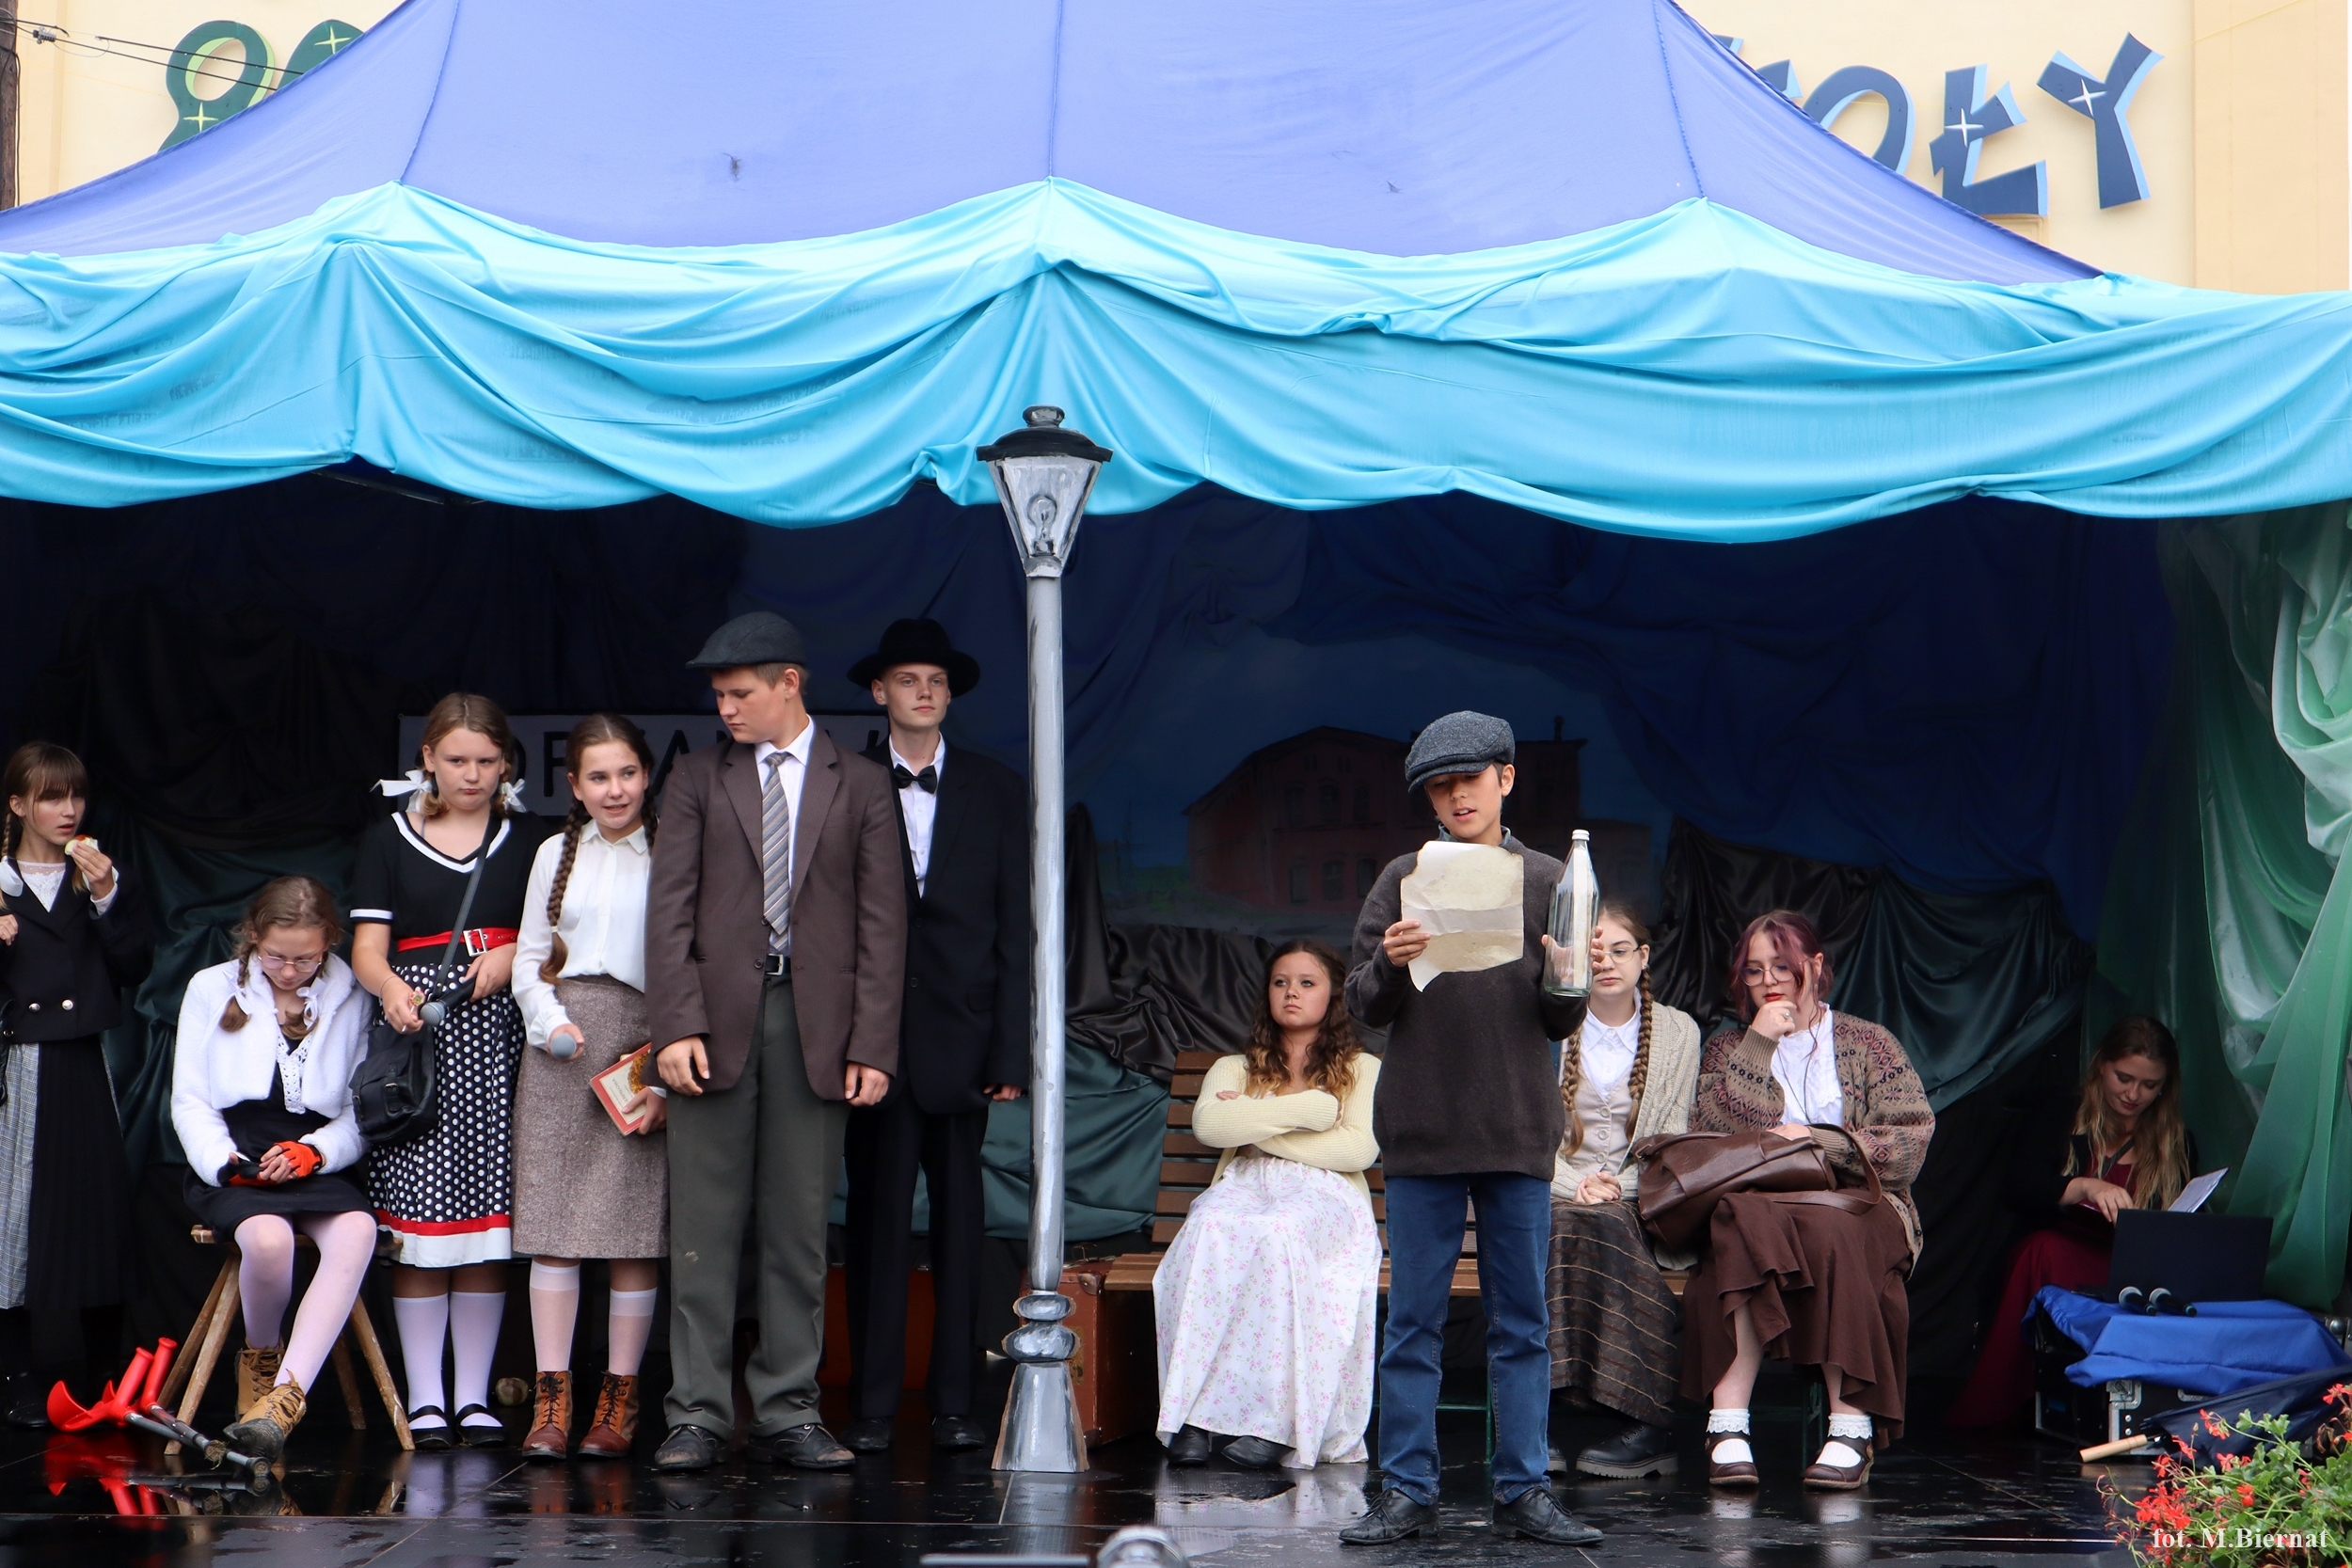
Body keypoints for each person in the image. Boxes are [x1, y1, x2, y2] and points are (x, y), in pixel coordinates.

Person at [644, 611, 906, 1473]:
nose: (725, 708)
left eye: (738, 693)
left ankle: (791, 1408)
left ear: (789, 682)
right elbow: (668, 911)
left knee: (798, 1229)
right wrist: (675, 1025)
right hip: (712, 1023)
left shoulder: (861, 782)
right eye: (718, 696)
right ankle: (696, 1412)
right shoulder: (695, 776)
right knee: (703, 1228)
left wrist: (873, 1043)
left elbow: (883, 926)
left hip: (816, 1022)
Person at [1339, 712, 1601, 1548]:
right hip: (1422, 1129)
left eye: (1472, 778)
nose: (1458, 795)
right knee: (1411, 1322)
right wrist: (1390, 961)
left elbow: (1560, 1018)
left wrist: (1570, 977)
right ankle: (1406, 1487)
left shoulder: (1551, 878)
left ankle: (1523, 1488)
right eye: (1441, 785)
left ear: (1506, 778)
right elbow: (1360, 1004)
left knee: (1522, 1321)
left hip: (1516, 1128)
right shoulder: (1404, 876)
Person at [841, 619, 1028, 1454]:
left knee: (961, 1228)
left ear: (951, 694)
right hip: (871, 1047)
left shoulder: (997, 787)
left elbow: (1017, 927)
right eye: (908, 678)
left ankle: (957, 1402)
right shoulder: (846, 782)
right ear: (878, 690)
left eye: (937, 680)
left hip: (965, 1040)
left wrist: (1010, 1051)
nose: (924, 691)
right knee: (876, 1226)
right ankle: (873, 1405)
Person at [350, 693, 551, 1449]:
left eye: (487, 760)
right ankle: (426, 1397)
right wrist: (390, 990)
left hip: (500, 1042)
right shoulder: (387, 838)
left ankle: (473, 1394)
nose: (472, 774)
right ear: (428, 757)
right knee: (421, 1225)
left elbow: (560, 930)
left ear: (507, 763)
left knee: (487, 1228)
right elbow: (368, 947)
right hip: (420, 1043)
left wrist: (515, 951)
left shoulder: (532, 839)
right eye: (457, 759)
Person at [1685, 910, 1933, 1492]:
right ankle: (1727, 1425)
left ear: (1816, 967)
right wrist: (1758, 1045)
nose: (1769, 981)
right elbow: (1712, 1136)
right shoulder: (1728, 1049)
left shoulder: (1869, 1043)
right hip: (1761, 1206)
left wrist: (1821, 1144)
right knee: (1735, 1220)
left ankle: (1851, 1427)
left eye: (1783, 966)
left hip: (1859, 1206)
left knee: (1831, 1230)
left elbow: (1910, 1140)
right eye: (1754, 971)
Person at [170, 876, 376, 1461]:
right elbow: (190, 1099)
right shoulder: (211, 988)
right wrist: (224, 1164)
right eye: (275, 957)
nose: (288, 972)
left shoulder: (352, 994)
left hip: (316, 1155)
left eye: (305, 960)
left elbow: (360, 1110)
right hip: (237, 1156)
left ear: (329, 942)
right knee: (268, 1239)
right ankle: (261, 1359)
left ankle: (283, 1400)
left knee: (358, 1229)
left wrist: (318, 1151)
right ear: (253, 938)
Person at [1158, 939, 1382, 1470]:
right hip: (1244, 1185)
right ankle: (1192, 1418)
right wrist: (1310, 1111)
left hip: (1326, 1196)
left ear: (1333, 995)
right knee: (1209, 1229)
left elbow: (1357, 1149)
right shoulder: (1233, 1068)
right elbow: (1211, 1127)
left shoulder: (1362, 1068)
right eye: (1280, 982)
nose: (1291, 993)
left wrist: (1254, 1122)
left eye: (1306, 983)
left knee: (1279, 1234)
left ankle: (1275, 1424)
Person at [510, 715, 669, 1462]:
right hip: (561, 1045)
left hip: (640, 1043)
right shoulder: (554, 852)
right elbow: (528, 957)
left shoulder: (673, 847)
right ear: (574, 784)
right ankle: (552, 1401)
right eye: (598, 776)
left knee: (632, 1231)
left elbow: (691, 965)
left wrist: (664, 1064)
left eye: (627, 772)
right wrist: (551, 1024)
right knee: (556, 1228)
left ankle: (618, 1400)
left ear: (647, 774)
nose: (615, 789)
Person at [0, 742, 152, 1427]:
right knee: (13, 1214)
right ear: (18, 804)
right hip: (16, 1062)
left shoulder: (98, 874)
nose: (68, 810)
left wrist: (108, 896)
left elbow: (135, 965)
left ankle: (100, 1375)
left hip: (84, 1059)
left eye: (76, 795)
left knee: (96, 1211)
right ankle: (17, 1376)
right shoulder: (1, 880)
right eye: (51, 797)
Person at [1946, 1016, 2193, 1429]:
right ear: (2101, 1065)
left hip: (2132, 1269)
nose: (2134, 1094)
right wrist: (2082, 1187)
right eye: (2123, 1078)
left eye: (2149, 1085)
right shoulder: (2062, 1115)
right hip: (2063, 1251)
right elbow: (2019, 1188)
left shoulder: (2176, 1143)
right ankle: (2006, 1400)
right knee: (2042, 1250)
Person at [1547, 901, 1701, 1479]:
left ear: (1643, 956)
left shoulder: (1678, 1032)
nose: (1606, 963)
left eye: (1619, 950)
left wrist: (1617, 1186)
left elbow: (1674, 1137)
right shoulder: (1549, 1026)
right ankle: (1642, 1419)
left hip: (1642, 1200)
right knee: (1568, 1224)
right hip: (1556, 1196)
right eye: (1594, 954)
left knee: (1598, 1223)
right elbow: (1525, 1134)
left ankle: (1582, 1417)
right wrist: (1575, 1185)